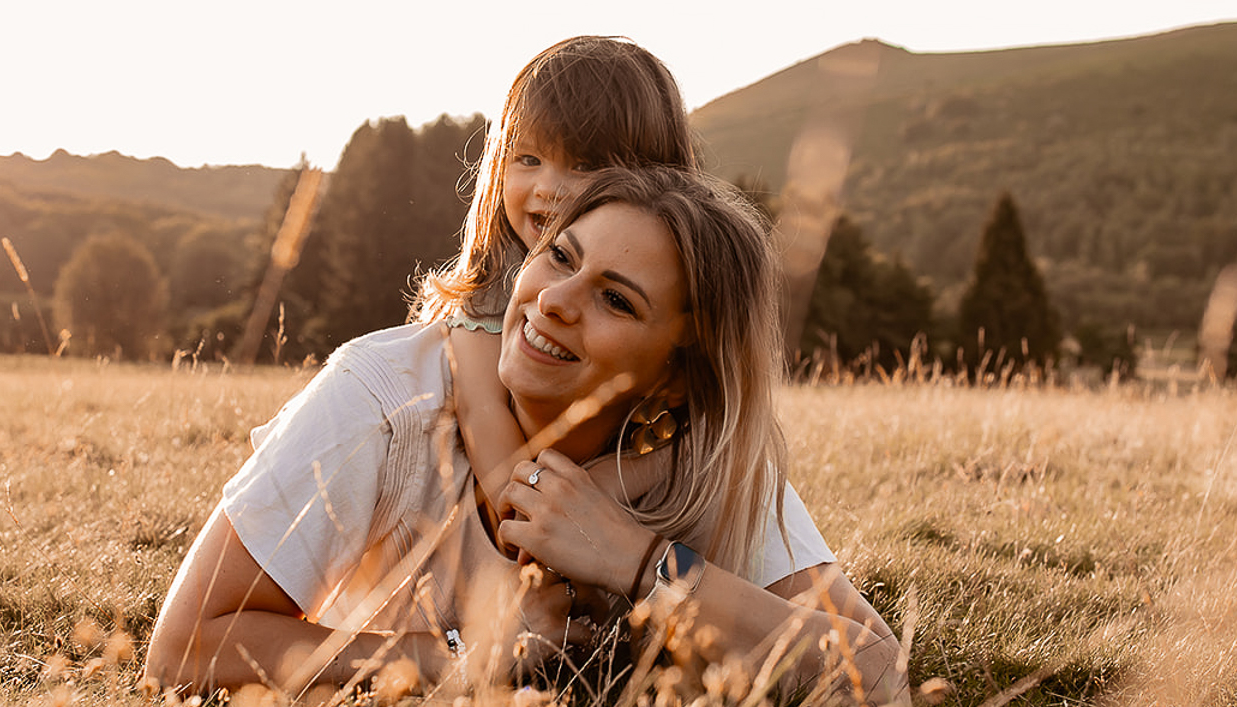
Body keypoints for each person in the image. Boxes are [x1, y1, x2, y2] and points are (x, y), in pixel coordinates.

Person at [144, 167, 902, 702]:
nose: (554, 301)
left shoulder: (704, 450)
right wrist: (466, 654)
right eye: (561, 257)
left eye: (616, 299)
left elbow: (878, 678)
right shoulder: (381, 397)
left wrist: (642, 563)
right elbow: (180, 650)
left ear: (675, 373)